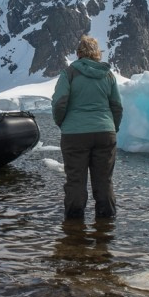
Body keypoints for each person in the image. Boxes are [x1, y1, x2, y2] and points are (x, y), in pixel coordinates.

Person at [51, 36, 123, 220]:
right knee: (104, 180)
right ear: (97, 53)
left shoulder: (69, 73)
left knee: (75, 180)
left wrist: (63, 123)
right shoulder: (108, 75)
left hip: (74, 133)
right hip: (105, 132)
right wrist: (111, 128)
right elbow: (116, 106)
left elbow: (59, 103)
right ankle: (106, 227)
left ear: (79, 53)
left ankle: (74, 227)